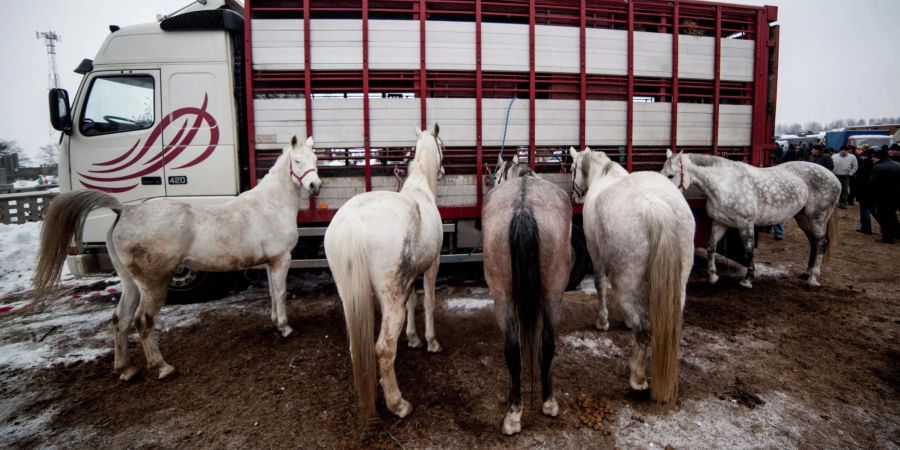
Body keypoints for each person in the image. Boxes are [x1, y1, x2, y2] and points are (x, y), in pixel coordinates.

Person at [869, 147, 900, 244]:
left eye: (873, 158)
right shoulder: (898, 164)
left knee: (885, 217)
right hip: (897, 196)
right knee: (892, 216)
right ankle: (897, 234)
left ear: (878, 158)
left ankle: (888, 237)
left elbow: (873, 184)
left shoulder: (878, 167)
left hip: (884, 197)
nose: (872, 159)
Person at [854, 148, 876, 235]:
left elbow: (859, 178)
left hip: (864, 191)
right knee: (872, 210)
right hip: (868, 191)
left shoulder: (865, 165)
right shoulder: (872, 164)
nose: (861, 157)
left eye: (863, 155)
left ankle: (866, 228)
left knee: (865, 211)